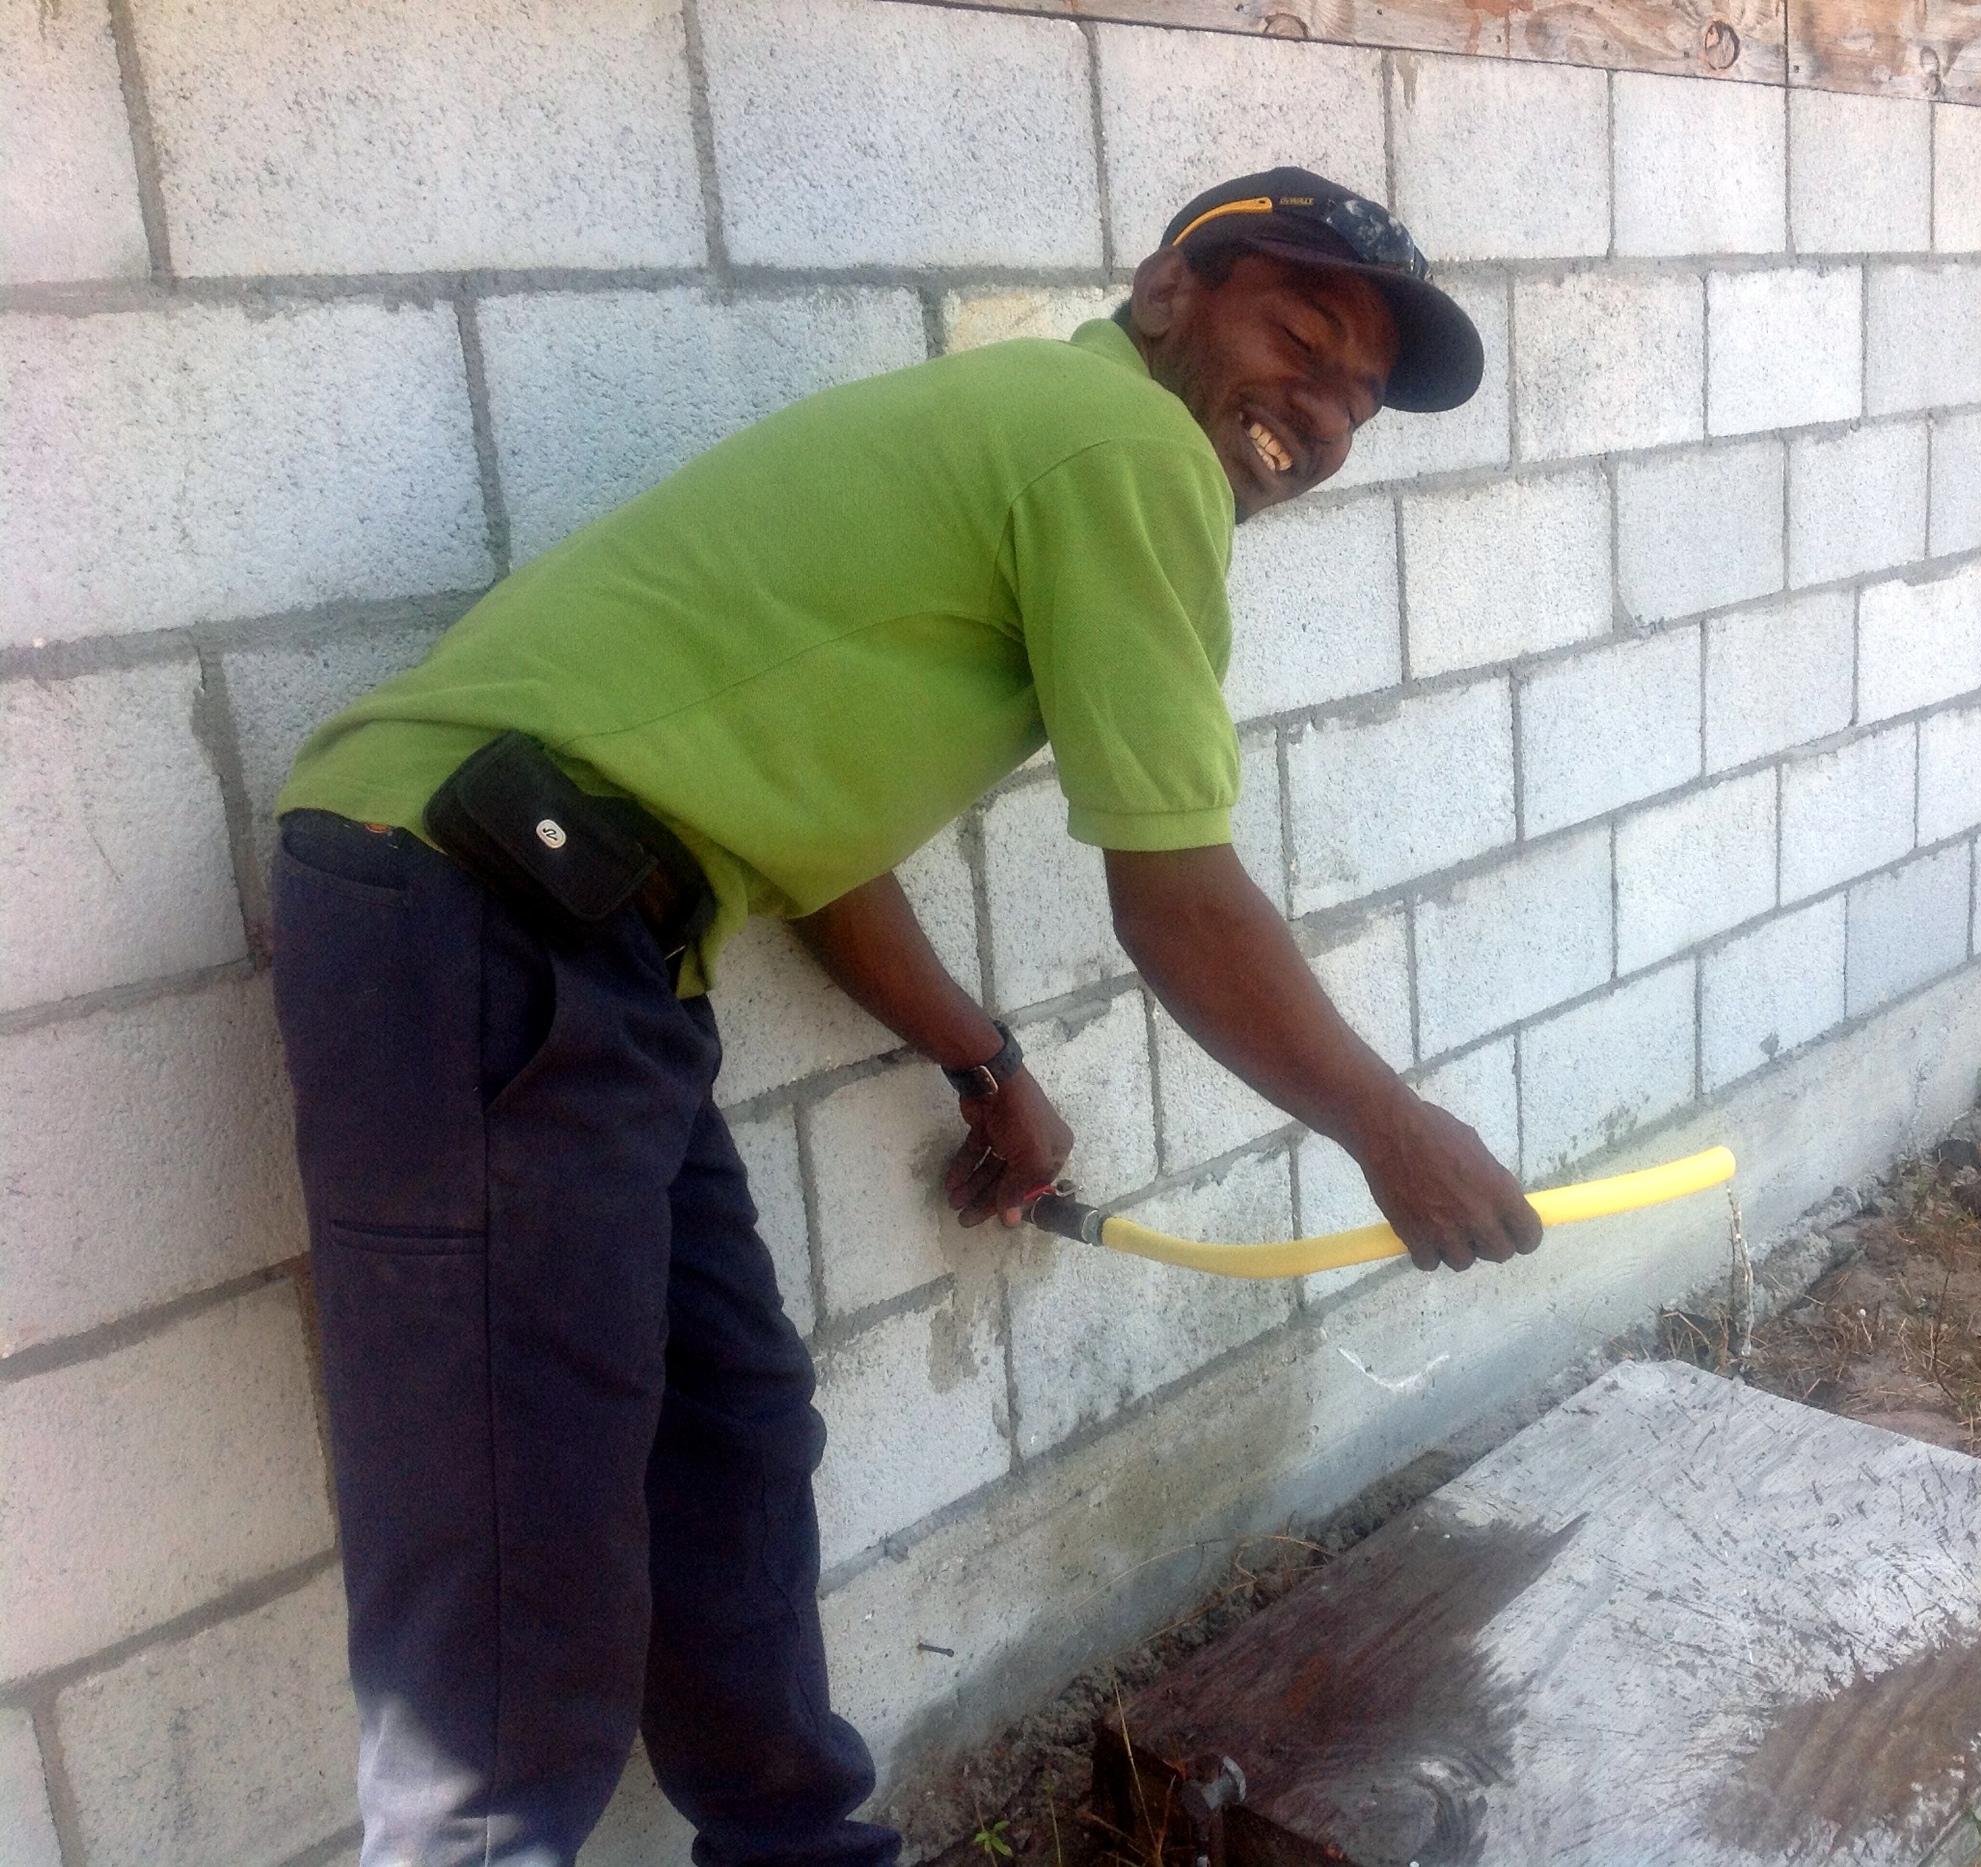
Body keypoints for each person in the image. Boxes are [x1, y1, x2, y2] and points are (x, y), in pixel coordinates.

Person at [268, 167, 1542, 1865]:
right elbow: (1177, 895)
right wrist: (1392, 1128)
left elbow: (818, 842)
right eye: (1298, 339)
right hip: (483, 914)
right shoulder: (1124, 446)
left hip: (573, 937)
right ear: (1169, 293)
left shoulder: (1048, 436)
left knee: (728, 1433)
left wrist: (980, 1056)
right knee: (514, 1599)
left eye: (1358, 397)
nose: (1318, 409)